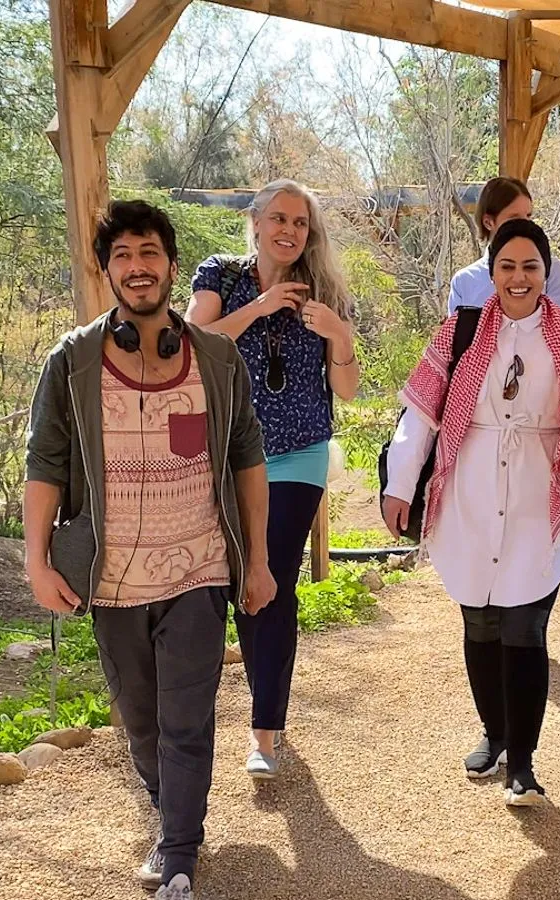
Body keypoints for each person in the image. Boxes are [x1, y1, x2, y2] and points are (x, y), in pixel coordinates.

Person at [24, 200, 275, 900]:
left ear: (171, 264)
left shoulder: (216, 359)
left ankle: (178, 867)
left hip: (198, 568)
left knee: (186, 721)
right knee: (140, 720)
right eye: (123, 256)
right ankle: (174, 821)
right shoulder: (72, 361)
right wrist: (35, 559)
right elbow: (46, 463)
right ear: (108, 271)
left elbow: (247, 459)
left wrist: (257, 559)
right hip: (112, 582)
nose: (138, 267)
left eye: (150, 253)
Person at [383, 219, 560, 807]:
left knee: (525, 626)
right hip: (471, 489)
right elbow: (421, 415)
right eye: (507, 266)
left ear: (546, 273)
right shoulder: (461, 329)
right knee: (480, 622)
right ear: (492, 273)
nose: (519, 278)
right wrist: (400, 485)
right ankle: (494, 733)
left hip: (540, 495)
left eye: (530, 267)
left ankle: (524, 763)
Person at [186, 179, 358, 780]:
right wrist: (260, 307)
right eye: (279, 219)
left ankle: (265, 730)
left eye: (300, 223)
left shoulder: (324, 291)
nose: (289, 231)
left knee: (273, 573)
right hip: (231, 455)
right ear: (256, 222)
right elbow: (192, 343)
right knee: (245, 578)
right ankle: (270, 695)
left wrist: (338, 334)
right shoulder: (222, 276)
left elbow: (346, 388)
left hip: (300, 453)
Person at [449, 177, 560, 313]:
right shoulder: (464, 281)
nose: (524, 224)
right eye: (514, 218)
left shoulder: (555, 272)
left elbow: (559, 322)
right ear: (488, 222)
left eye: (528, 216)